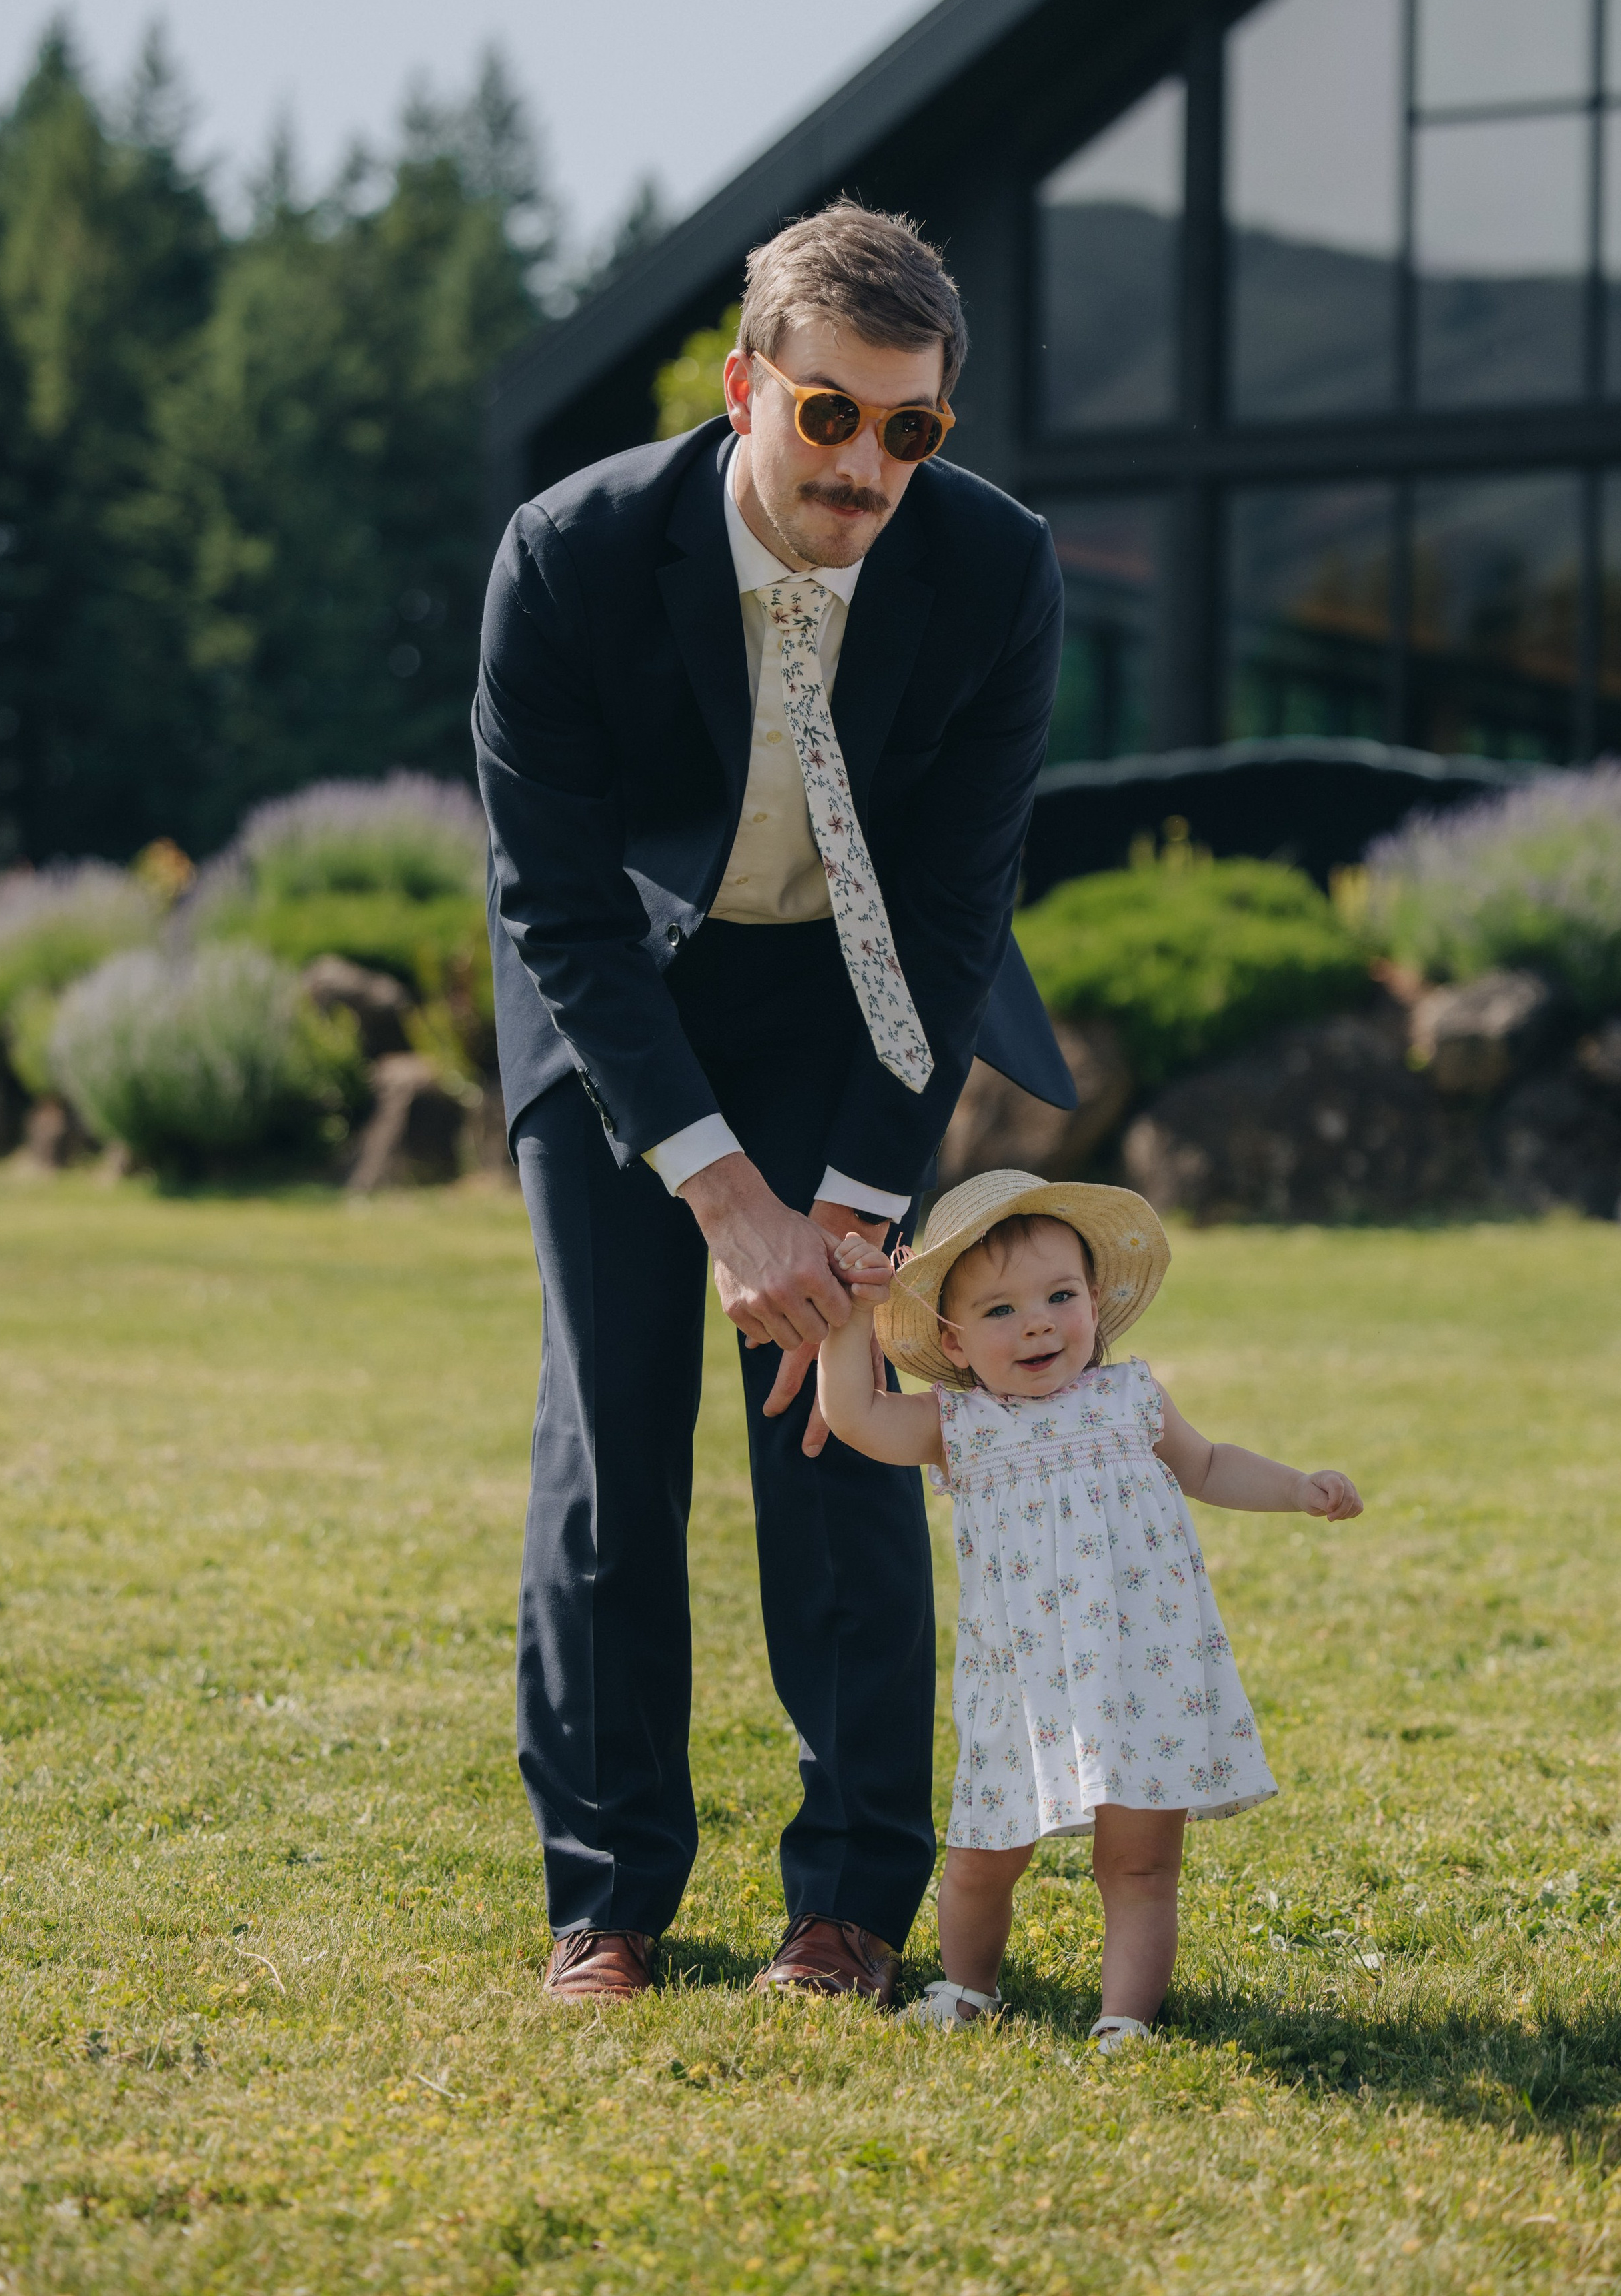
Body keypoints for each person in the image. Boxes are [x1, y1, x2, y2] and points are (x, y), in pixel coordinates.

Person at [473, 203, 1076, 2003]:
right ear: (749, 387)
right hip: (620, 1004)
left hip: (856, 997)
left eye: (914, 427)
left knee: (838, 1426)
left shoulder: (996, 567)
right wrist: (721, 1191)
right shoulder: (571, 554)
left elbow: (962, 904)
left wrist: (852, 1199)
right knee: (617, 1422)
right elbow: (559, 904)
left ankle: (850, 1906)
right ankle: (609, 1897)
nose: (870, 463)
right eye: (832, 414)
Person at [818, 1170, 1363, 2047]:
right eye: (999, 1311)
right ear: (953, 1341)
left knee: (1140, 1862)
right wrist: (851, 1317)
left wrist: (1299, 1488)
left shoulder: (1131, 1399)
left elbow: (1212, 1465)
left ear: (1096, 1302)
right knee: (981, 1857)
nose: (1036, 1321)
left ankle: (1125, 2018)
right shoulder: (959, 1423)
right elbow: (852, 1414)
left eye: (1058, 1295)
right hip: (1021, 1682)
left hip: (1142, 1669)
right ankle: (968, 1988)